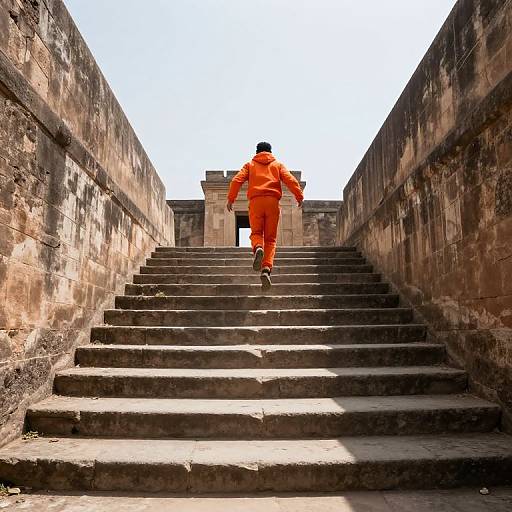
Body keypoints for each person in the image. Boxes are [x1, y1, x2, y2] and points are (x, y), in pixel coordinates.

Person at [226, 142, 304, 290]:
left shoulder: (250, 165)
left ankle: (257, 248)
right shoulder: (277, 165)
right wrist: (299, 196)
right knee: (271, 239)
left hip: (256, 202)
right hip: (273, 202)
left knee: (256, 233)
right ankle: (266, 269)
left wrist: (231, 199)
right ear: (270, 152)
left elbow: (236, 180)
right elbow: (290, 180)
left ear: (257, 152)